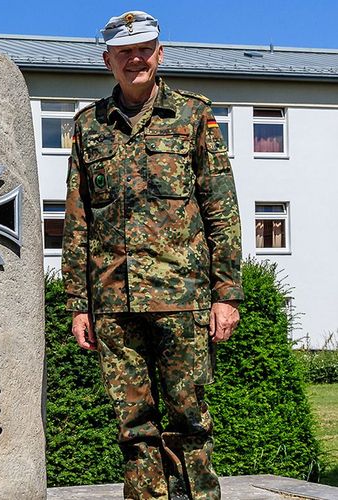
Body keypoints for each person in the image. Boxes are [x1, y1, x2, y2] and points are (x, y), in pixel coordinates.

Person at [62, 10, 243, 500]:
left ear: (160, 55)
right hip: (114, 303)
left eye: (144, 50)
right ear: (108, 61)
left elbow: (221, 209)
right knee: (132, 424)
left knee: (191, 420)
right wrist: (79, 302)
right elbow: (77, 220)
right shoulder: (88, 128)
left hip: (181, 299)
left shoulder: (192, 116)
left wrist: (227, 294)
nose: (135, 59)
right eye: (124, 52)